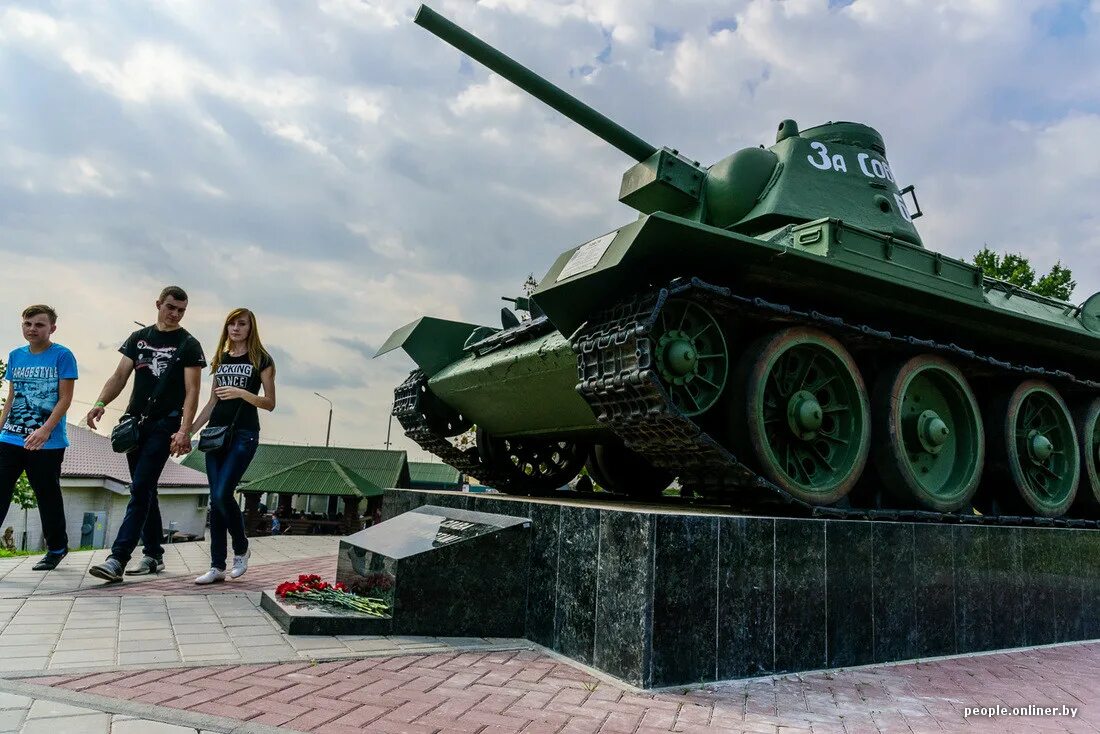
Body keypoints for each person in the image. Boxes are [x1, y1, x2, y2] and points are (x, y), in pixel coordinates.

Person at [85, 286, 205, 582]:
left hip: (166, 426)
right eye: (170, 307)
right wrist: (100, 403)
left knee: (139, 488)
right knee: (145, 488)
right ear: (158, 305)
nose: (174, 314)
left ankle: (117, 559)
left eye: (180, 310)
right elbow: (119, 376)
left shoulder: (188, 344)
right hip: (136, 424)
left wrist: (184, 431)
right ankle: (154, 554)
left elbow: (193, 391)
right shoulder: (139, 339)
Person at [189, 308, 275, 584]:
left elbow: (270, 403)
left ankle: (241, 548)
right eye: (231, 324)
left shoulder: (261, 359)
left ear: (251, 328)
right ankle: (217, 566)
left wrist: (241, 393)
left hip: (244, 434)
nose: (236, 328)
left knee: (225, 492)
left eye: (242, 324)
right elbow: (212, 402)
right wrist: (188, 430)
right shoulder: (222, 359)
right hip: (216, 434)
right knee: (216, 500)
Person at [0, 305, 77, 571]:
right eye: (28, 323)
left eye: (39, 325)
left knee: (47, 495)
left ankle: (56, 548)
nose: (32, 329)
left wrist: (45, 430)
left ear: (52, 328)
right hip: (10, 438)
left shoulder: (63, 356)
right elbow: (12, 397)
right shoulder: (15, 356)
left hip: (47, 442)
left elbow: (65, 398)